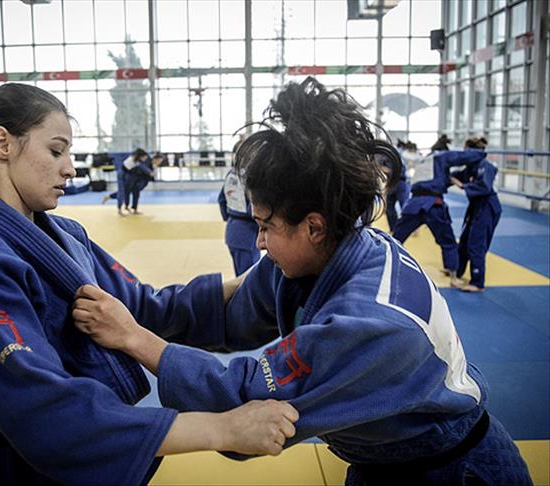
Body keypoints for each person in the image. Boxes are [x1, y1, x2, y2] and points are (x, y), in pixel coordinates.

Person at [73, 77, 531, 485]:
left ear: (313, 226)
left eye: (265, 226)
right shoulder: (317, 253)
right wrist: (134, 307)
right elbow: (228, 312)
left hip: (450, 470)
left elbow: (246, 402)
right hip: (376, 459)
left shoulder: (374, 322)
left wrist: (135, 339)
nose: (259, 242)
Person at [0, 84, 298, 486]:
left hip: (95, 443)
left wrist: (258, 275)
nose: (70, 169)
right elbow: (48, 412)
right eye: (56, 151)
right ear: (2, 144)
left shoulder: (67, 234)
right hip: (16, 468)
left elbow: (144, 308)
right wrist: (221, 428)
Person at [392, 146, 487, 286]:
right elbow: (463, 156)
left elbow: (440, 180)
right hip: (433, 205)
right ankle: (453, 277)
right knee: (448, 241)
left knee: (395, 238)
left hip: (413, 205)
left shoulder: (423, 161)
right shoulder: (441, 157)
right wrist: (482, 153)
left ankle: (386, 265)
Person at [450, 137, 502, 293]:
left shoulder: (486, 166)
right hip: (476, 206)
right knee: (464, 240)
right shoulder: (470, 167)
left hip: (487, 206)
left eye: (466, 151)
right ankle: (458, 271)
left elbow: (485, 188)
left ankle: (478, 282)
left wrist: (463, 185)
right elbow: (455, 175)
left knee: (476, 243)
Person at [218, 165, 260, 276]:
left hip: (232, 228)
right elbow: (256, 207)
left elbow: (221, 200)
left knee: (241, 276)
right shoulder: (252, 175)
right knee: (250, 278)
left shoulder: (231, 174)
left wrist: (229, 217)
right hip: (247, 234)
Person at [378, 141, 411, 232]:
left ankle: (408, 227)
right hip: (392, 182)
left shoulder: (391, 155)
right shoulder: (384, 155)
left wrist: (379, 168)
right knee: (389, 208)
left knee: (404, 206)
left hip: (399, 182)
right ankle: (395, 228)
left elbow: (393, 170)